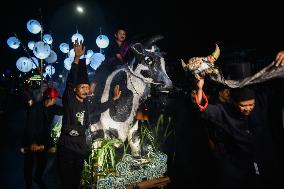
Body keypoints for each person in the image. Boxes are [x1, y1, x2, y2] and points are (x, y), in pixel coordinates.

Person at [193, 51, 284, 189]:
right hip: (237, 169)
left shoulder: (263, 101)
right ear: (235, 103)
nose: (248, 108)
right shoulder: (224, 111)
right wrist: (199, 87)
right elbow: (202, 108)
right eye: (243, 105)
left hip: (266, 162)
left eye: (251, 105)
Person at [57, 40, 121, 189]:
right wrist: (77, 58)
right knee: (66, 183)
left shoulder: (87, 105)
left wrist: (113, 100)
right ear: (75, 89)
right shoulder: (69, 101)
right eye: (82, 87)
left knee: (76, 182)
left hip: (80, 149)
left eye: (87, 87)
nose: (86, 90)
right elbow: (71, 80)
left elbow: (99, 108)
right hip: (66, 148)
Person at [23, 87, 62, 189]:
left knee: (42, 163)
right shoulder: (35, 108)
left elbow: (64, 110)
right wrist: (32, 143)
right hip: (31, 141)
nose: (56, 100)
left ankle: (38, 178)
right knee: (29, 165)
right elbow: (29, 127)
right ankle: (28, 185)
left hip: (43, 141)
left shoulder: (53, 108)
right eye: (55, 99)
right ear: (51, 99)